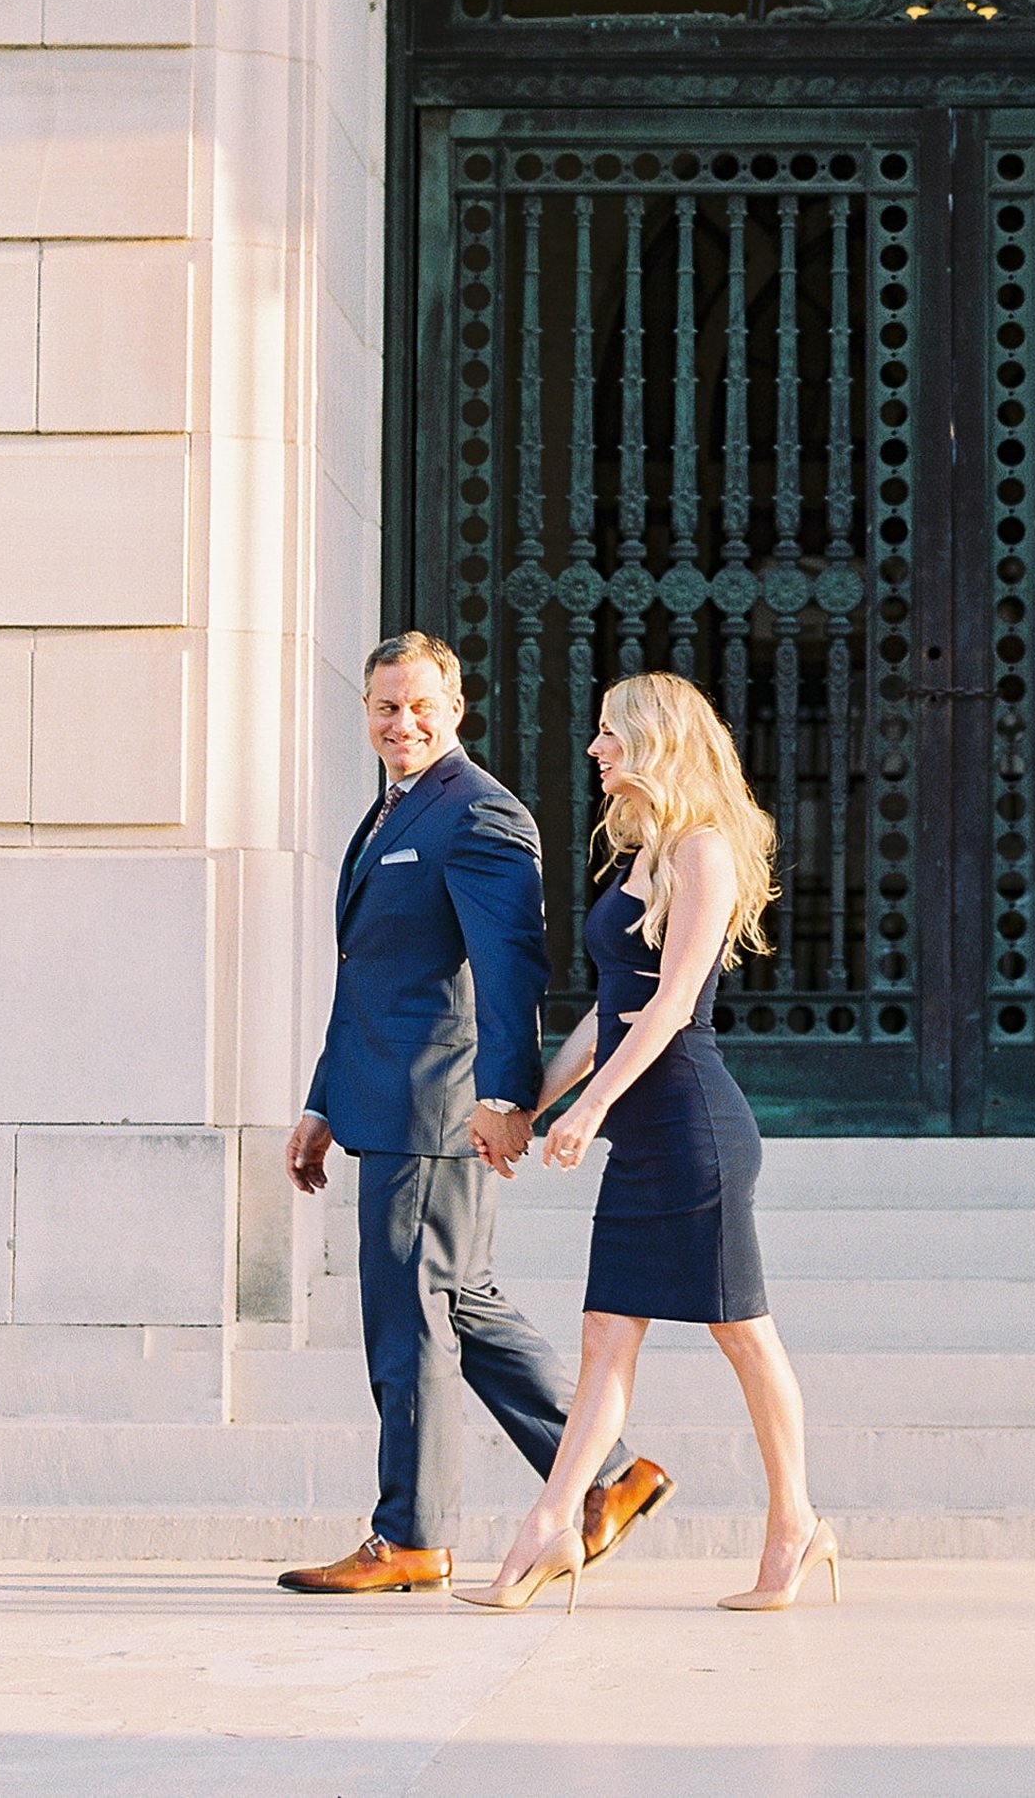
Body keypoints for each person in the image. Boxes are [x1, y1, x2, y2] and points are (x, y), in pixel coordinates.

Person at [276, 633, 674, 1596]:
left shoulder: (481, 813)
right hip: (382, 1099)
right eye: (384, 707)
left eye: (419, 706)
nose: (400, 723)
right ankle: (612, 1474)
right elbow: (370, 977)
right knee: (458, 1301)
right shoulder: (389, 811)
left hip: (437, 1110)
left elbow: (510, 971)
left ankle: (410, 1535)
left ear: (455, 708)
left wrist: (508, 1099)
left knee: (412, 1318)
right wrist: (324, 1102)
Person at [456, 672, 835, 1618]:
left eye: (610, 737)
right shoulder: (642, 857)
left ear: (657, 742)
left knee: (744, 1337)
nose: (596, 752)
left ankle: (796, 1527)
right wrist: (537, 1105)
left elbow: (668, 1008)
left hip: (695, 1129)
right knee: (604, 1339)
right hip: (644, 1132)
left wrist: (589, 1114)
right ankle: (549, 1526)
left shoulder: (705, 850)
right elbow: (608, 1008)